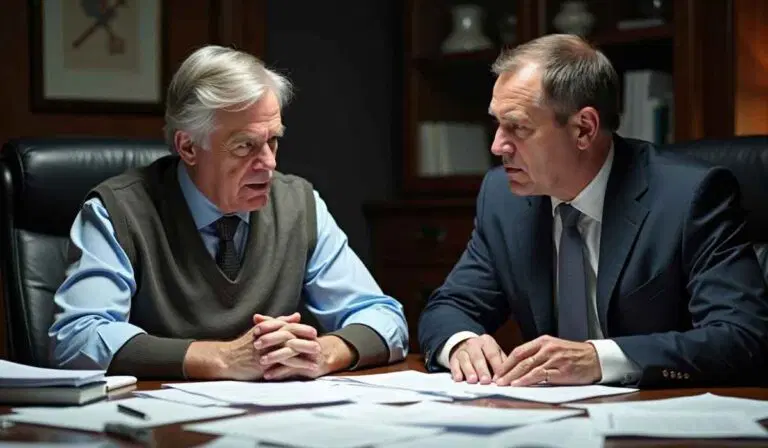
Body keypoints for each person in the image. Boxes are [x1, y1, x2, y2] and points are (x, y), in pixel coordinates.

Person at [418, 34, 768, 388]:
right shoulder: (503, 197)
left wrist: (599, 359)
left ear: (584, 128)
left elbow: (741, 337)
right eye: (497, 124)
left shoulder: (689, 196)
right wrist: (462, 343)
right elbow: (450, 307)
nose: (497, 146)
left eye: (518, 127)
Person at [49, 45, 408, 380]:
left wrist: (323, 352)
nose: (268, 163)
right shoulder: (119, 211)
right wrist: (221, 359)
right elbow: (76, 339)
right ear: (188, 146)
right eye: (245, 146)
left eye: (273, 140)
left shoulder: (299, 204)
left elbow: (385, 317)